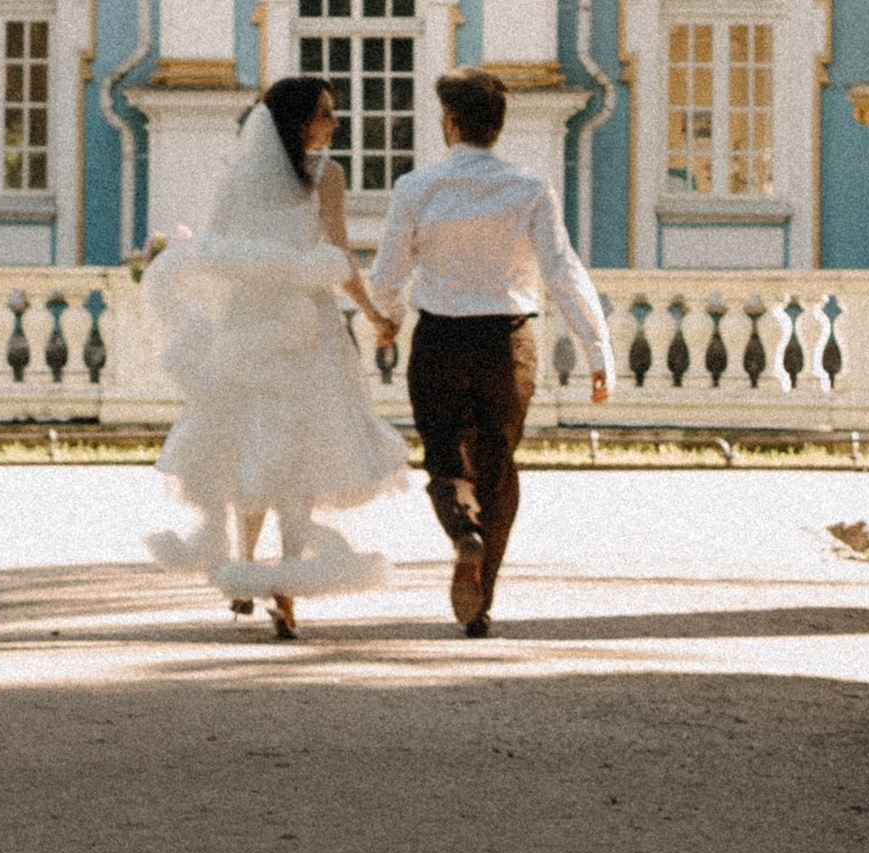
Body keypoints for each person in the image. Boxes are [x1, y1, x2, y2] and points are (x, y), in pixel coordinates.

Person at [140, 75, 407, 640]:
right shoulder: (324, 177)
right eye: (326, 115)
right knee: (296, 445)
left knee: (252, 437)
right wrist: (371, 313)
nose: (335, 124)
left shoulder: (240, 177)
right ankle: (281, 587)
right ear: (298, 122)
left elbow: (220, 250)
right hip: (304, 328)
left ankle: (249, 570)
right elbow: (337, 256)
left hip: (249, 324)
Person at [367, 67, 614, 635]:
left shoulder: (416, 187)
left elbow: (388, 273)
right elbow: (561, 270)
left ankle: (461, 531)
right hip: (508, 342)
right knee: (499, 467)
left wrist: (387, 320)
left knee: (446, 455)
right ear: (498, 127)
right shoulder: (530, 188)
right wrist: (598, 350)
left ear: (449, 123)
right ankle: (484, 599)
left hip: (441, 340)